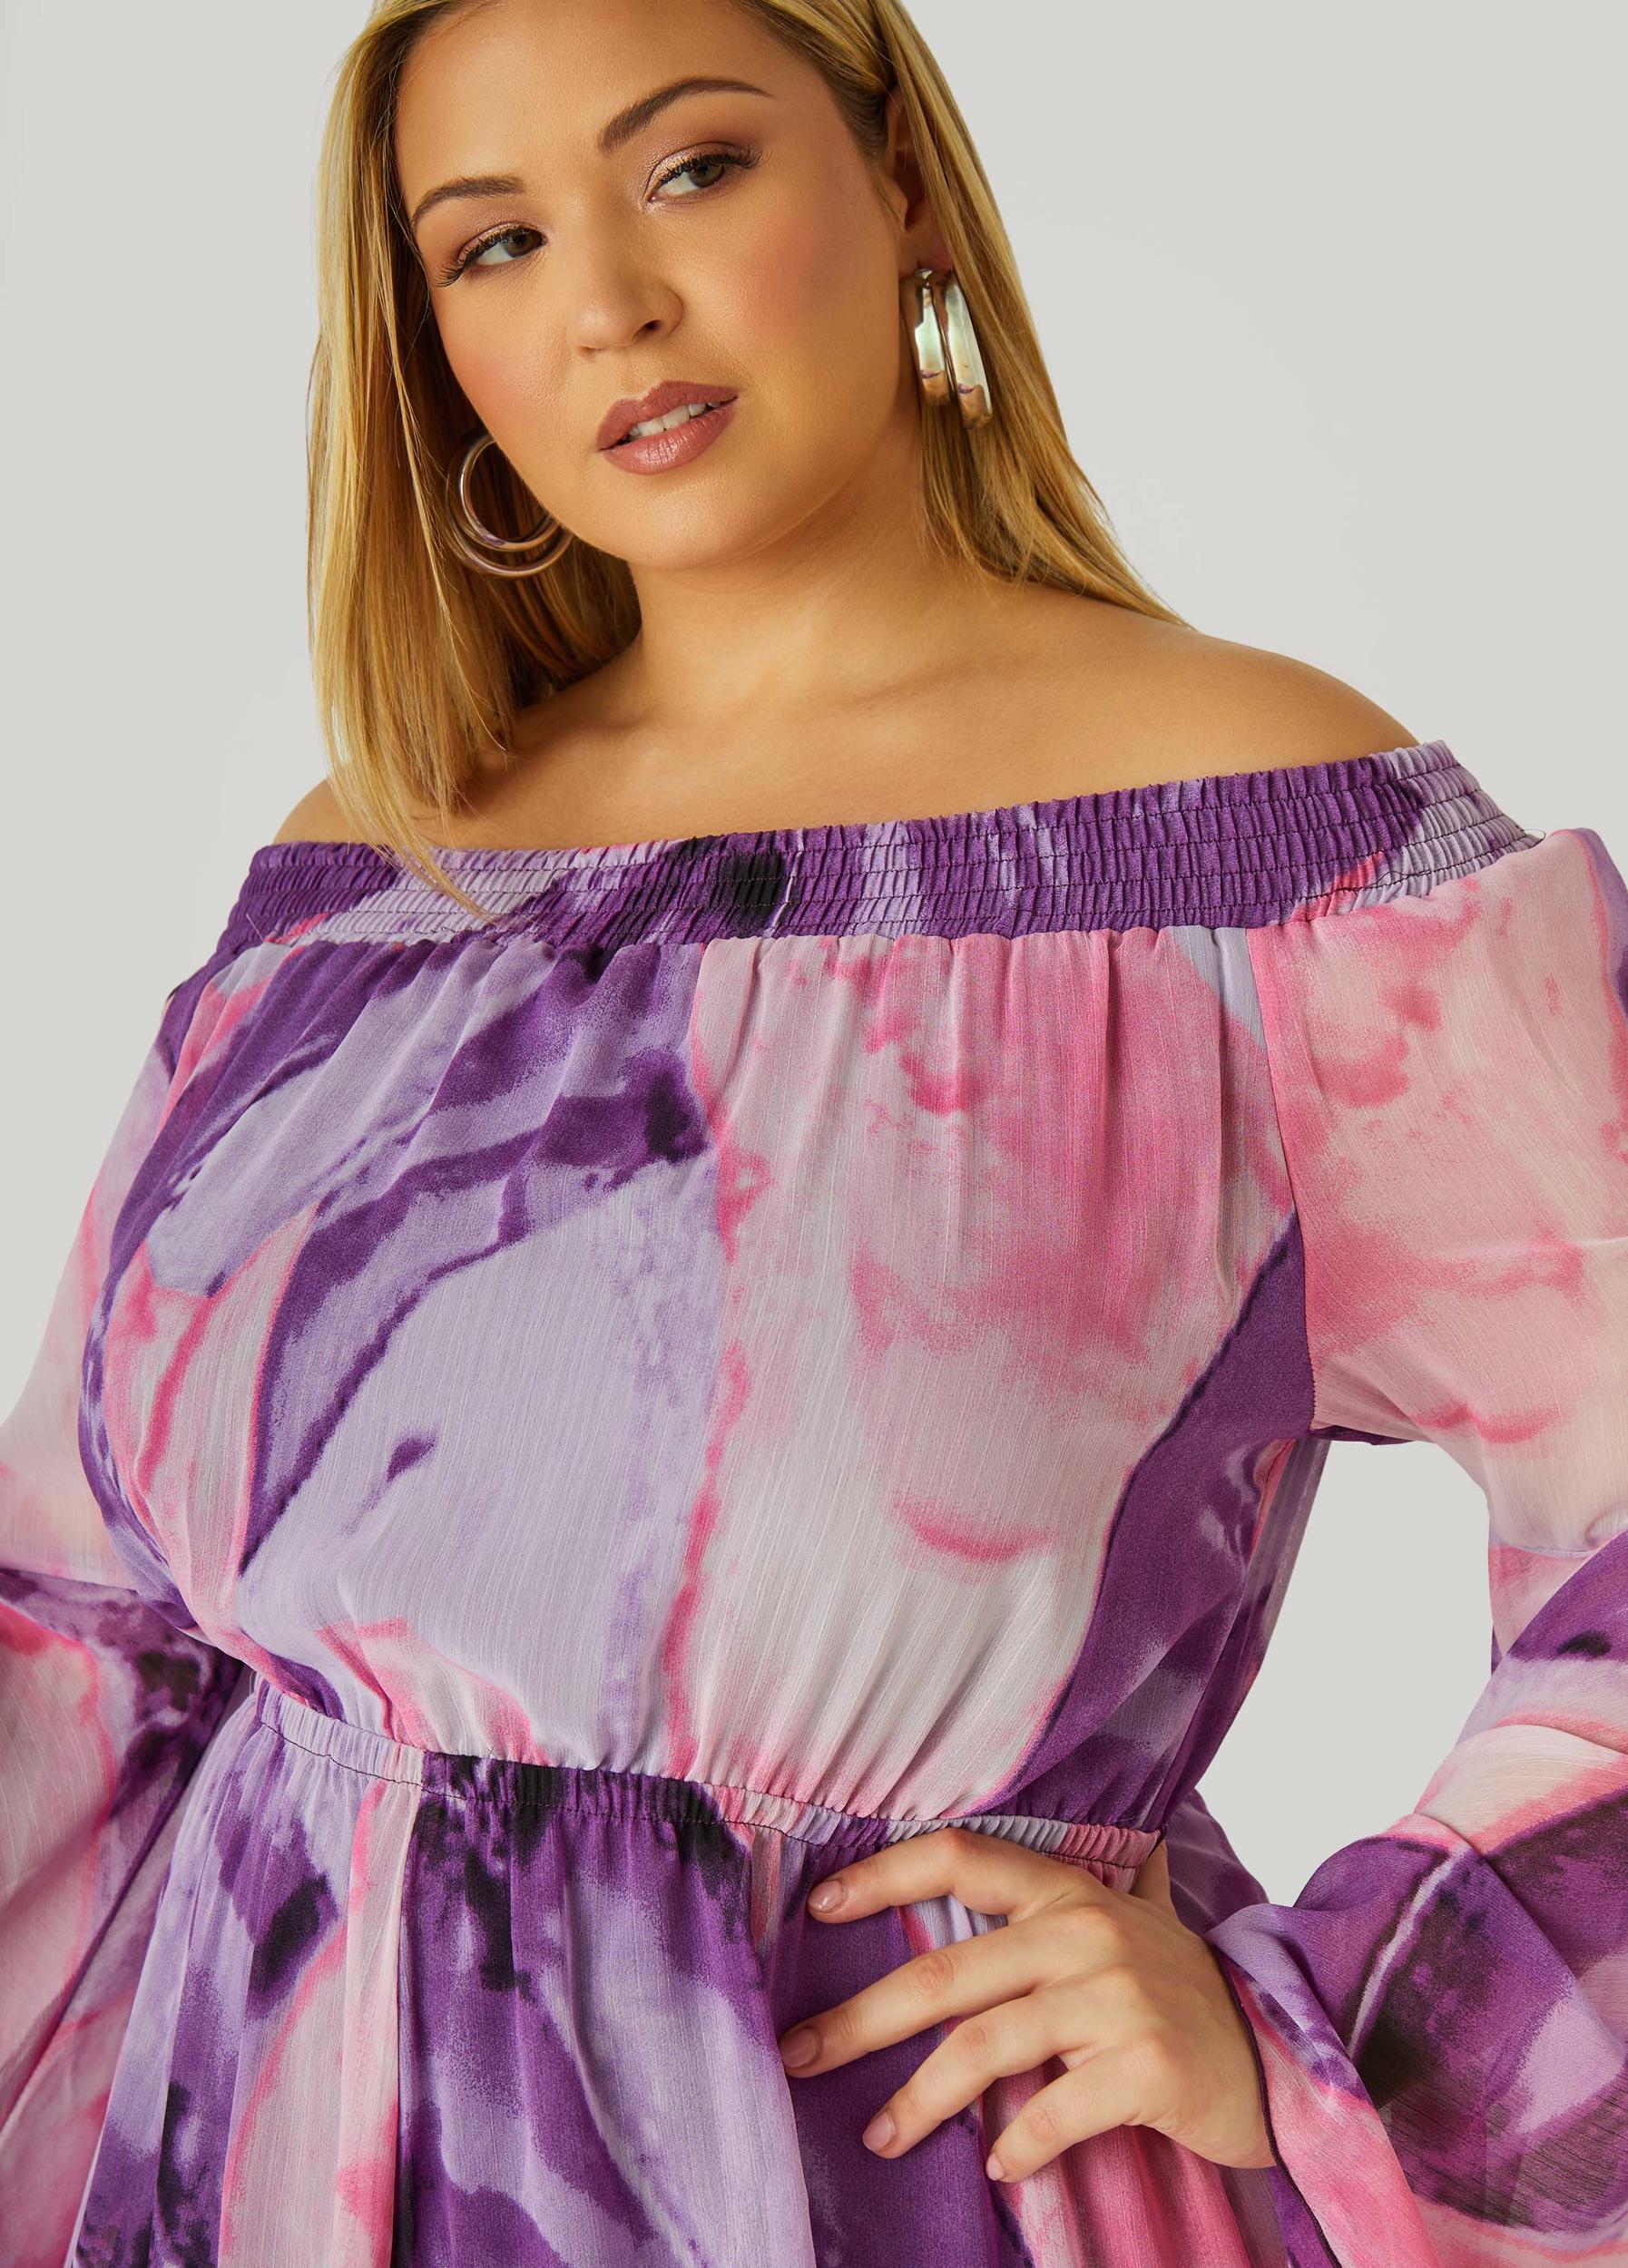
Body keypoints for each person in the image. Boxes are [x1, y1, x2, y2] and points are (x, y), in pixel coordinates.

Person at [3, 0, 1623, 2261]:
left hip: (922, 2185)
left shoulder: (1277, 858)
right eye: (491, 243)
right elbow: (81, 1630)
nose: (608, 302)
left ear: (906, 186)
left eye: (693, 169)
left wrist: (1352, 2023)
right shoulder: (361, 887)